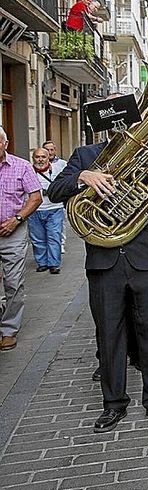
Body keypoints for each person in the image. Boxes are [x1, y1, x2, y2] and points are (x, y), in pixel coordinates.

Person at [47, 127, 148, 433]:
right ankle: (113, 405)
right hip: (104, 262)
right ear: (106, 126)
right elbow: (55, 190)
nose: (122, 128)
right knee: (109, 334)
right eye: (115, 123)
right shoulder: (86, 156)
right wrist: (83, 177)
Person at [0, 127, 43, 352]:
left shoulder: (21, 166)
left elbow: (36, 198)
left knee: (13, 281)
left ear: (5, 144)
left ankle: (8, 329)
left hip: (13, 231)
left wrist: (16, 220)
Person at [28, 147, 66, 274]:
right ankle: (42, 263)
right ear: (33, 158)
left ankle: (54, 264)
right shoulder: (28, 172)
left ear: (48, 157)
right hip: (34, 210)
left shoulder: (58, 169)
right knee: (37, 238)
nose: (40, 160)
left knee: (54, 236)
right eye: (37, 157)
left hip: (55, 208)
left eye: (43, 157)